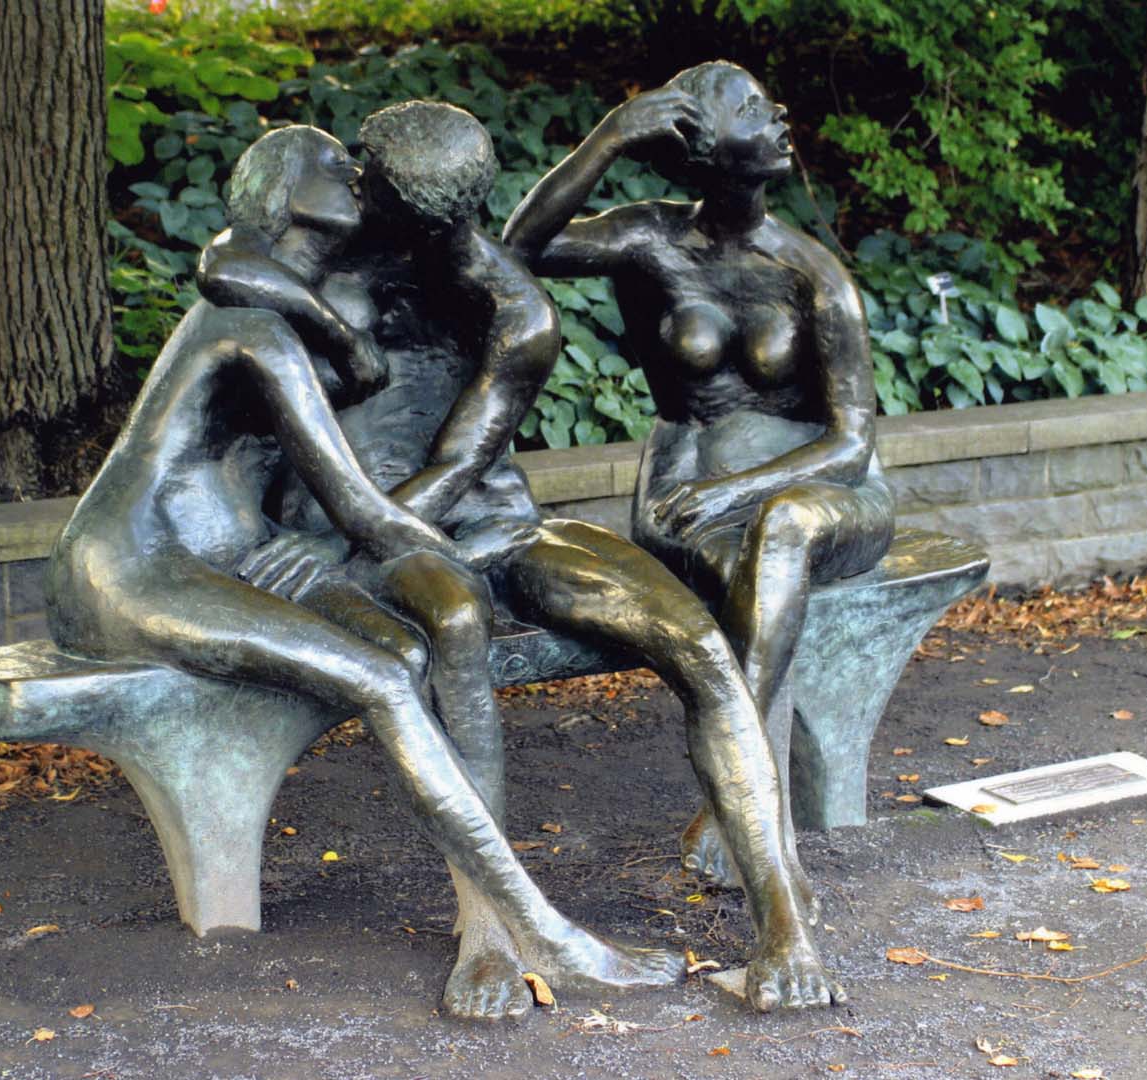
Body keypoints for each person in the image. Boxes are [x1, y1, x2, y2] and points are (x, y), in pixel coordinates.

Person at [209, 101, 845, 1011]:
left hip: (485, 526)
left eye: (364, 178)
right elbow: (223, 263)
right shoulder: (316, 257)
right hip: (388, 548)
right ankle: (488, 928)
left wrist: (344, 535)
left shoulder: (516, 310)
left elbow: (461, 461)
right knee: (452, 630)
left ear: (385, 191)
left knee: (701, 647)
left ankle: (785, 926)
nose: (348, 183)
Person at [48, 124, 682, 1022]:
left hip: (240, 553)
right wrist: (479, 550)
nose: (351, 169)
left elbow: (251, 270)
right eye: (330, 164)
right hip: (137, 564)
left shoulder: (284, 296)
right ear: (288, 196)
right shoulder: (252, 324)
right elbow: (361, 509)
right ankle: (539, 923)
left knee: (421, 638)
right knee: (383, 675)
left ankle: (485, 926)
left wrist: (344, 343)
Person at [503, 62, 895, 888]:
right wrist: (609, 135)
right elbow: (516, 252)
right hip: (688, 496)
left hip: (823, 493)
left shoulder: (812, 274)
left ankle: (733, 794)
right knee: (743, 577)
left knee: (779, 535)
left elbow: (851, 442)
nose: (779, 112)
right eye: (753, 106)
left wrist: (734, 491)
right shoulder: (645, 239)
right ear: (702, 145)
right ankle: (750, 796)